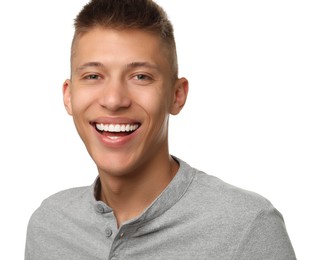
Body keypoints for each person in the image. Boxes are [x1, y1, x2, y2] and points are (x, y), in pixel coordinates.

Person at [25, 0, 296, 259]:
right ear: (69, 96)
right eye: (93, 76)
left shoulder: (247, 227)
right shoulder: (48, 226)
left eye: (140, 76)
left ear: (176, 95)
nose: (114, 99)